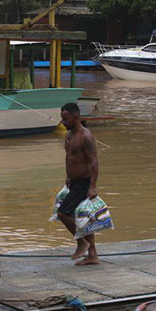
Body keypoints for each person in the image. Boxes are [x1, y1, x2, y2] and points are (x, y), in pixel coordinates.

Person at [56, 102, 100, 266]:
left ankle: (82, 242)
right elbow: (71, 158)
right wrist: (68, 177)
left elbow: (94, 162)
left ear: (76, 117)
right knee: (85, 218)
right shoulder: (69, 134)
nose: (62, 122)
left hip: (84, 182)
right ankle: (93, 255)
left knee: (63, 213)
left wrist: (93, 186)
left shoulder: (86, 136)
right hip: (74, 182)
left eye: (65, 119)